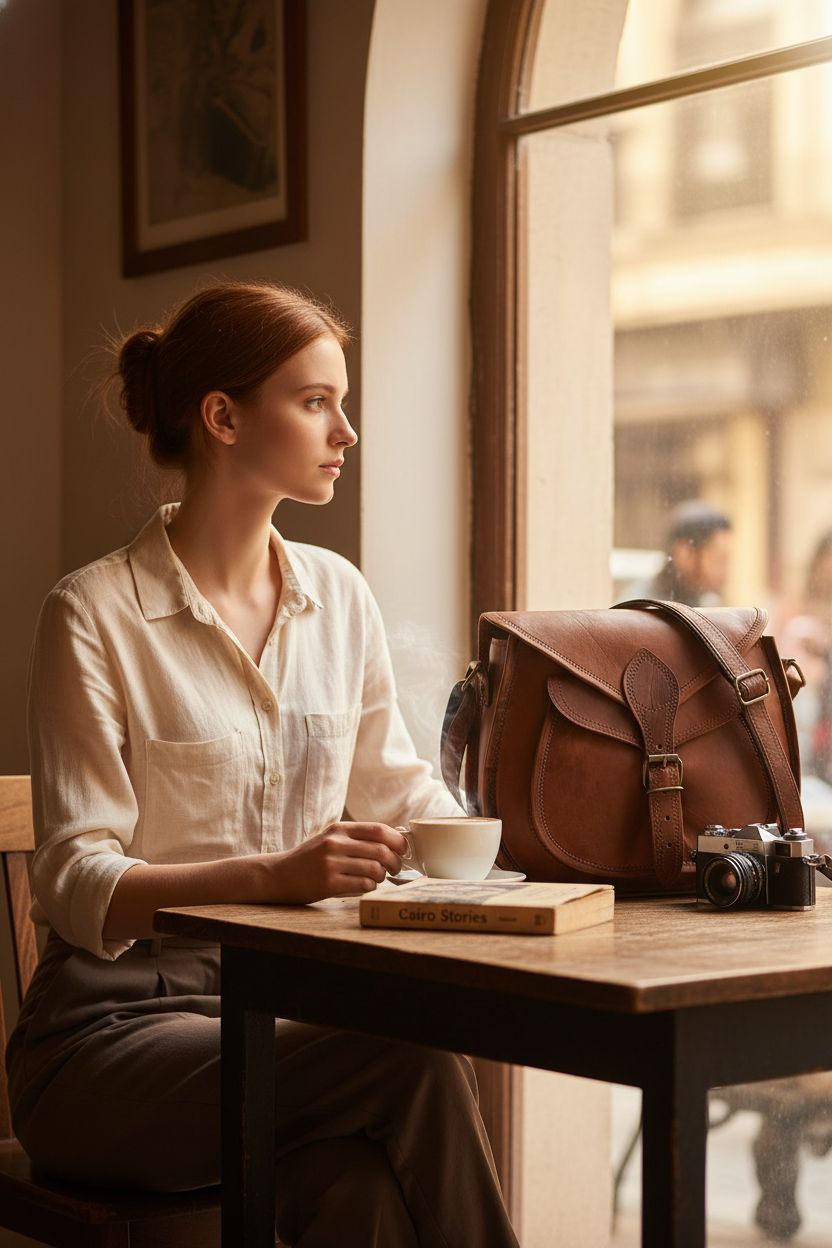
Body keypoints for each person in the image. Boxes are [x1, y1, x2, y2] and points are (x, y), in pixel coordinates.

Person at [5, 281, 519, 1248]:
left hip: (276, 1022)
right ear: (223, 417)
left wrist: (522, 836)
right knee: (411, 1059)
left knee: (359, 1192)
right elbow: (73, 879)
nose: (347, 432)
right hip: (104, 1046)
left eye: (344, 401)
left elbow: (395, 787)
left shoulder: (339, 593)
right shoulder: (92, 615)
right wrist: (274, 878)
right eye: (317, 401)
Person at [643, 500, 732, 607]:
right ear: (685, 553)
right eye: (719, 559)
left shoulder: (703, 601)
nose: (726, 571)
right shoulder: (647, 611)